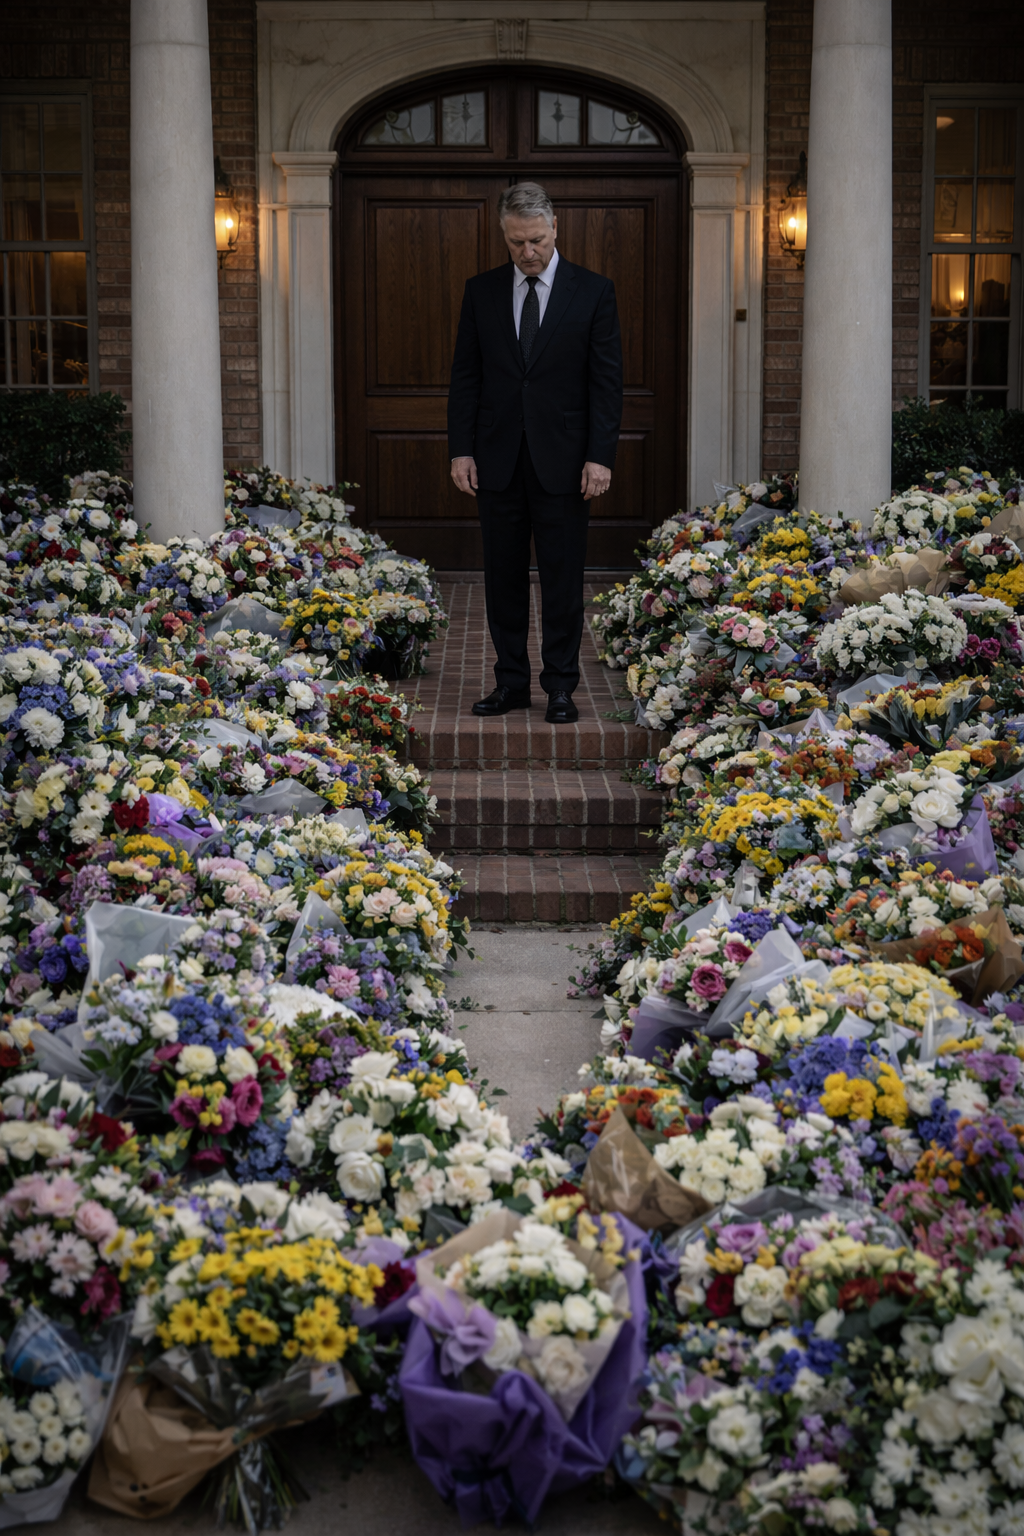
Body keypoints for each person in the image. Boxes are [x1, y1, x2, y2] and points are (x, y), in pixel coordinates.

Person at [448, 182, 623, 724]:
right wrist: (461, 450)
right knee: (502, 579)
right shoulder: (481, 291)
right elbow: (466, 378)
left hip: (566, 462)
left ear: (556, 229)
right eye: (518, 242)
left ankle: (561, 686)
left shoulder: (593, 291)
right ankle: (511, 684)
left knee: (563, 577)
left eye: (538, 241)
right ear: (504, 236)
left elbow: (606, 382)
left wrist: (600, 455)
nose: (529, 252)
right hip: (497, 459)